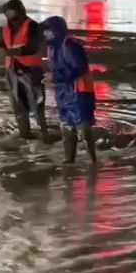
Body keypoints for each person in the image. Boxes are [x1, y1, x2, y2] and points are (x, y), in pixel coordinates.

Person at [39, 16, 97, 164]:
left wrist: (55, 76)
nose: (45, 34)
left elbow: (79, 68)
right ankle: (69, 160)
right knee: (66, 127)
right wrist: (51, 77)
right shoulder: (52, 48)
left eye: (47, 30)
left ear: (56, 31)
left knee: (83, 128)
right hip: (64, 94)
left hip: (79, 93)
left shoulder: (70, 46)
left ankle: (93, 161)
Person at [0, 0, 47, 140]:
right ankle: (25, 134)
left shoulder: (32, 26)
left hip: (31, 71)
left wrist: (12, 52)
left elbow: (33, 46)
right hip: (12, 71)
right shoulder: (6, 28)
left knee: (36, 104)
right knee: (18, 106)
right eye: (9, 15)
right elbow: (0, 42)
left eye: (14, 15)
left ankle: (44, 135)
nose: (13, 20)